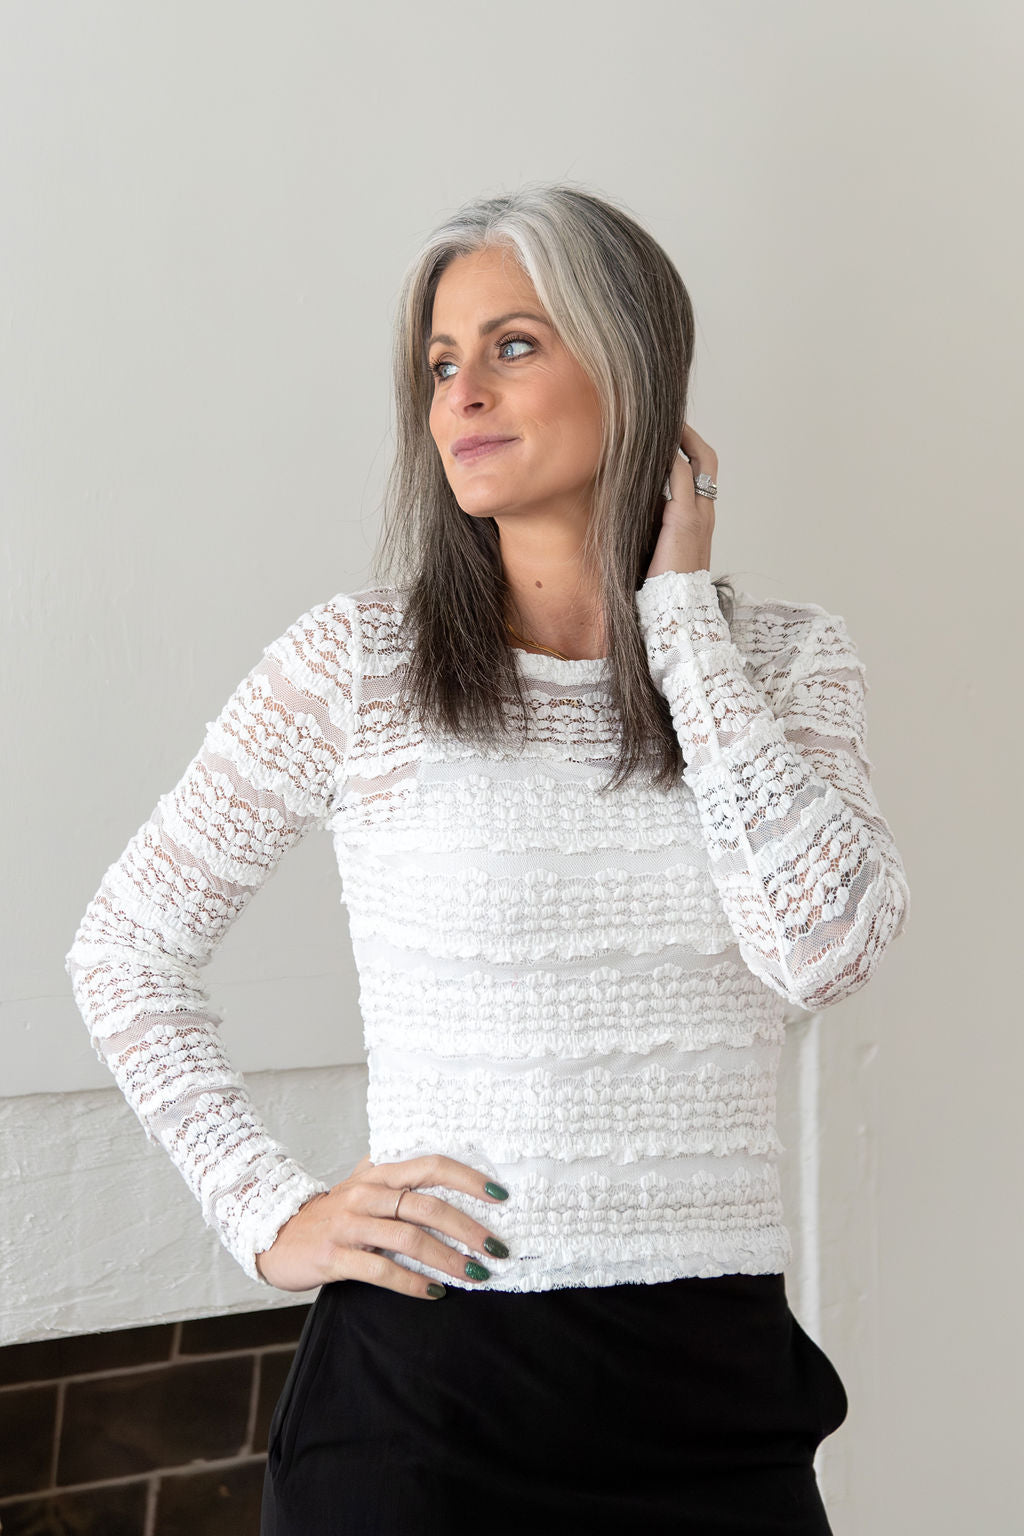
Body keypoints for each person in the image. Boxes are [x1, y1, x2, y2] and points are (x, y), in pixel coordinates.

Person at [66, 183, 910, 1535]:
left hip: (716, 1397)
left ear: (631, 363)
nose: (461, 394)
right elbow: (124, 951)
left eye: (513, 346)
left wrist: (683, 619)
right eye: (439, 364)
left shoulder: (787, 659)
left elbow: (826, 950)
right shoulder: (358, 663)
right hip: (422, 1413)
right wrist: (268, 1211)